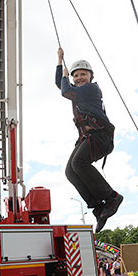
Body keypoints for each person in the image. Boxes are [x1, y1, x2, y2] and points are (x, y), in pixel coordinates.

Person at [55, 48, 123, 233]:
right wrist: (60, 62)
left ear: (90, 76)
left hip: (100, 136)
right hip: (89, 137)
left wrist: (66, 76)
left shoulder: (91, 89)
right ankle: (98, 206)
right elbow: (61, 86)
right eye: (76, 75)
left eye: (83, 74)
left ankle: (112, 197)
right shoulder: (77, 92)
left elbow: (64, 90)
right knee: (70, 171)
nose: (78, 78)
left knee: (79, 162)